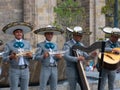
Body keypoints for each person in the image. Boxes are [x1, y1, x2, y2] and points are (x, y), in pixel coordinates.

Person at [2, 22, 33, 90]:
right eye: (17, 32)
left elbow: (33, 56)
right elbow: (4, 58)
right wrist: (11, 57)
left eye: (20, 32)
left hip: (25, 70)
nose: (19, 33)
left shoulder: (27, 43)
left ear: (22, 33)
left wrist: (30, 56)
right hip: (14, 70)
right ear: (14, 33)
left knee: (25, 88)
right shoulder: (9, 44)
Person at [34, 25, 64, 90]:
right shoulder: (40, 45)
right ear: (45, 35)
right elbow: (36, 57)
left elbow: (56, 57)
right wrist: (43, 56)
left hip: (54, 68)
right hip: (45, 68)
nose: (50, 35)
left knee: (54, 87)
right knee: (42, 87)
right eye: (48, 34)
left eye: (51, 34)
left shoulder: (55, 45)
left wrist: (59, 57)